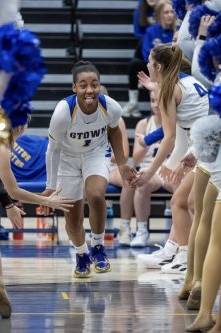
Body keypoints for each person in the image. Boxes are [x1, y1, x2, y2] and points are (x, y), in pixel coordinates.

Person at [43, 60, 135, 278]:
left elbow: (115, 132)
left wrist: (122, 164)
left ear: (100, 86)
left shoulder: (111, 106)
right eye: (83, 85)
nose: (89, 90)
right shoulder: (63, 112)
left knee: (95, 194)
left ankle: (98, 247)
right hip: (67, 158)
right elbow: (52, 150)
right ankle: (81, 254)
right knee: (73, 218)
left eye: (94, 84)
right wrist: (49, 187)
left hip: (96, 153)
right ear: (74, 88)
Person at [132, 43, 209, 274]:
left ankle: (185, 257)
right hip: (204, 148)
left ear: (158, 66)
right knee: (181, 200)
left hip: (208, 152)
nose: (146, 64)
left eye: (149, 61)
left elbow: (169, 137)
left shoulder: (169, 91)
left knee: (180, 202)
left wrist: (151, 171)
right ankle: (172, 250)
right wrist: (174, 161)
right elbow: (184, 132)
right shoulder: (187, 81)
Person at [120, 90, 176, 247]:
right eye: (152, 101)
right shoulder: (144, 124)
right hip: (149, 169)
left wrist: (166, 145)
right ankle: (142, 231)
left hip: (170, 168)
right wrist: (148, 141)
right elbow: (136, 158)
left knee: (182, 187)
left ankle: (179, 232)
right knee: (141, 184)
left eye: (158, 100)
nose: (156, 105)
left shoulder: (175, 123)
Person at [122, 0, 176, 117]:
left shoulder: (178, 31)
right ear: (159, 14)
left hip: (172, 68)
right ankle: (133, 103)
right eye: (166, 12)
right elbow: (146, 52)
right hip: (154, 67)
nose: (170, 15)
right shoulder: (151, 31)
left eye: (172, 12)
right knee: (135, 63)